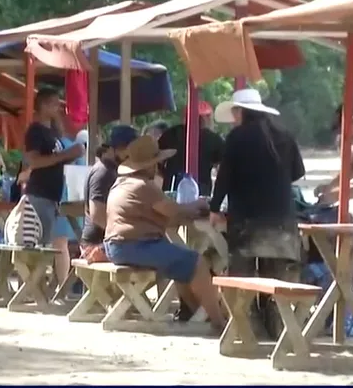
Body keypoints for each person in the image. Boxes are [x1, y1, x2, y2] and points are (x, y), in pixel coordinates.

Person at [209, 88, 306, 339]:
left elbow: (224, 179)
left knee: (242, 278)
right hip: (283, 221)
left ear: (240, 112)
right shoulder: (284, 135)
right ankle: (277, 330)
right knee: (276, 280)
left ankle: (245, 330)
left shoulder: (236, 138)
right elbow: (297, 173)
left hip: (247, 222)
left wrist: (213, 208)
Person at [104, 135, 226, 332]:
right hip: (134, 246)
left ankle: (197, 314)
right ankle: (219, 322)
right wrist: (199, 205)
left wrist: (188, 209)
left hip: (117, 245)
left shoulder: (122, 183)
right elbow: (173, 211)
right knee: (197, 262)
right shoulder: (144, 186)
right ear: (150, 164)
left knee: (182, 261)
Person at [23, 87, 85, 285]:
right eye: (54, 103)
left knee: (51, 243)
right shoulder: (35, 131)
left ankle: (45, 286)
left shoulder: (53, 133)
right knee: (39, 244)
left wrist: (70, 156)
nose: (58, 107)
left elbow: (56, 160)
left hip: (54, 195)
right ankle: (33, 287)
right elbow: (35, 162)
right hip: (40, 193)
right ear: (43, 105)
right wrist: (66, 155)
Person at [81, 126, 139, 262]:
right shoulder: (104, 172)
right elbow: (97, 214)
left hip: (105, 242)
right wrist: (123, 234)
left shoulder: (111, 170)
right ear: (117, 149)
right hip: (97, 245)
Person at [158, 101, 224, 194]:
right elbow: (222, 167)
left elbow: (157, 160)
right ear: (206, 118)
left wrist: (166, 174)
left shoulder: (171, 133)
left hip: (172, 186)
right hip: (200, 189)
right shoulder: (214, 139)